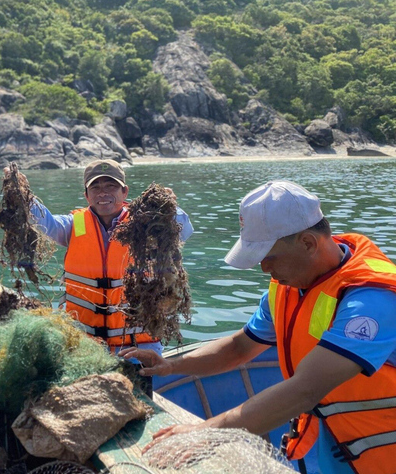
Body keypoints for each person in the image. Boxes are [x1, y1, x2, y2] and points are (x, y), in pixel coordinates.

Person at [120, 180, 396, 474]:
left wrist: (207, 430)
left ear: (307, 243)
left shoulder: (372, 299)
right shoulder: (286, 286)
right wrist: (171, 366)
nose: (263, 268)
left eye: (269, 256)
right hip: (337, 444)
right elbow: (240, 347)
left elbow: (305, 389)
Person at [20, 159, 193, 357]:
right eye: (95, 187)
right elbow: (46, 224)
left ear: (124, 192)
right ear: (86, 195)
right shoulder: (72, 225)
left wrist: (169, 209)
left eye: (111, 186)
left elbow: (184, 231)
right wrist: (23, 195)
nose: (103, 193)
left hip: (138, 346)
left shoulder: (146, 224)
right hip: (83, 344)